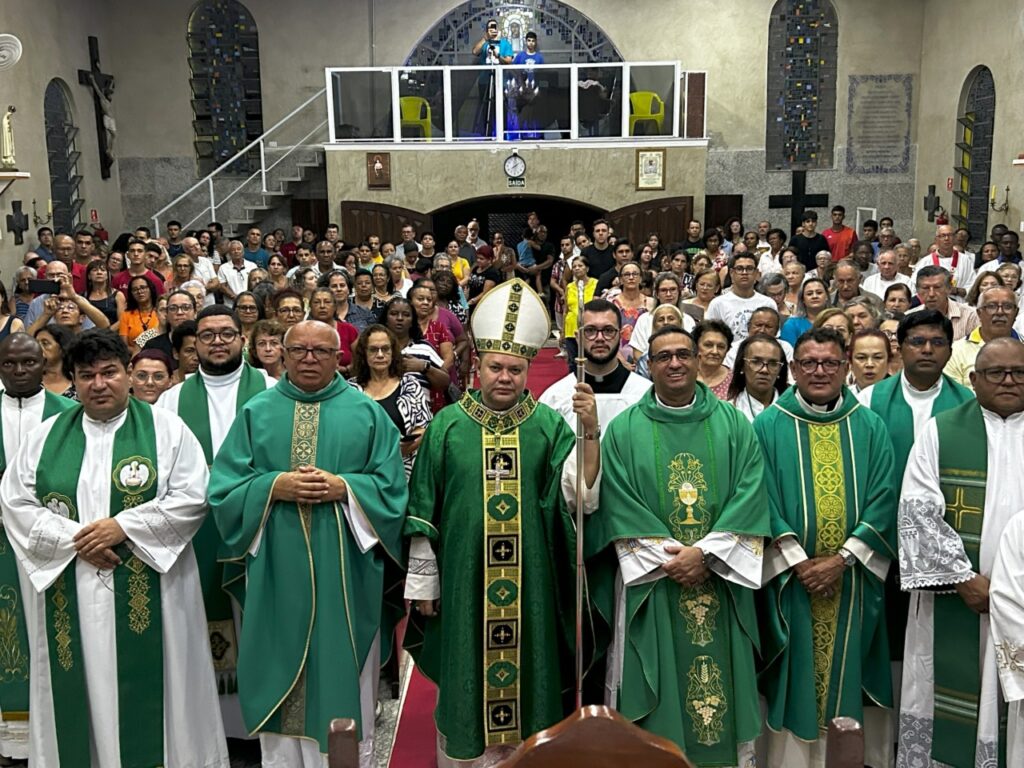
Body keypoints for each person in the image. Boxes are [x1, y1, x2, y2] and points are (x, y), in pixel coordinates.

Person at [0, 329, 228, 767]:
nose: (99, 384)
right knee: (79, 694)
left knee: (164, 694)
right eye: (86, 376)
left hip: (155, 590)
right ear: (72, 381)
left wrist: (123, 526)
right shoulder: (46, 436)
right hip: (72, 586)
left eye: (109, 372)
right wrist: (77, 539)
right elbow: (15, 500)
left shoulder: (167, 430)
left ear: (128, 373)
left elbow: (192, 494)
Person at [403, 278, 600, 766]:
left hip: (530, 583)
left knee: (532, 677)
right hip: (464, 579)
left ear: (528, 370)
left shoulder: (548, 425)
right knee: (466, 671)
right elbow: (425, 503)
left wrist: (589, 430)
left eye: (515, 368)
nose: (505, 377)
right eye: (496, 367)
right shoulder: (448, 425)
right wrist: (425, 584)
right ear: (478, 367)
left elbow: (576, 497)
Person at [209, 320, 407, 766]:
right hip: (276, 571)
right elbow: (222, 491)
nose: (309, 359)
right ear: (282, 353)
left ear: (339, 356)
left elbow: (393, 490)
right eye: (298, 350)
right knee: (278, 674)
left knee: (341, 681)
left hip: (346, 576)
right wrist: (272, 487)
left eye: (321, 351)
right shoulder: (256, 412)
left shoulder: (366, 412)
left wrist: (346, 488)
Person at [586, 324, 769, 765]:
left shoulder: (733, 423)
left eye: (682, 354)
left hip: (719, 579)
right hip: (654, 583)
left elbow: (751, 491)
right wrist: (676, 559)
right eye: (663, 356)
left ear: (697, 360)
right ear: (648, 364)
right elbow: (619, 504)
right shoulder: (626, 429)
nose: (674, 363)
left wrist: (704, 554)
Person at [755, 327, 898, 768]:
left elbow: (884, 496)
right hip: (791, 583)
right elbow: (760, 496)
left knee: (847, 673)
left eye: (830, 363)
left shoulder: (869, 425)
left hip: (851, 582)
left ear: (845, 367)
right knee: (794, 675)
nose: (820, 372)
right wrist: (801, 563)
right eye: (809, 364)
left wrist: (841, 560)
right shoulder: (768, 425)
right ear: (793, 369)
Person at [897, 337, 1024, 767]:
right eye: (996, 373)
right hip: (960, 600)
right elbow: (917, 511)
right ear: (973, 379)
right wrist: (963, 578)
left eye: (1019, 372)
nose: (1008, 380)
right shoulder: (941, 430)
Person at [156, 305, 273, 737]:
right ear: (194, 345)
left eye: (227, 333)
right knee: (204, 620)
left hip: (258, 524)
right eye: (208, 336)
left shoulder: (269, 387)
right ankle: (217, 728)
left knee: (258, 619)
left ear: (243, 339)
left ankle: (263, 719)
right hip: (197, 528)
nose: (218, 342)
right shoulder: (172, 399)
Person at [0, 334, 76, 760]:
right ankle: (12, 741)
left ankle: (58, 729)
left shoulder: (68, 414)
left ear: (43, 362)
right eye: (9, 364)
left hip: (53, 543)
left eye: (28, 363)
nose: (19, 371)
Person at [540, 298, 651, 430]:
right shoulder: (555, 398)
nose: (599, 338)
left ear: (620, 335)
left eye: (608, 330)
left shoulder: (645, 394)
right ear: (578, 337)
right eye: (590, 331)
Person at [350, 324, 432, 478]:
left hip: (405, 471)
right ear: (364, 354)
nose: (380, 355)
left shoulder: (409, 384)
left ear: (393, 352)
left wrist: (401, 449)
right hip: (363, 473)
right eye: (373, 350)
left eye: (385, 349)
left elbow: (425, 426)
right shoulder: (351, 390)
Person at [945, 285, 1019, 389]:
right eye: (992, 306)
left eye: (1007, 306)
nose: (1000, 312)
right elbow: (954, 396)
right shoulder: (956, 351)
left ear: (1016, 313)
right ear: (979, 313)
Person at [704, 253, 775, 343]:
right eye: (739, 269)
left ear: (757, 273)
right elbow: (709, 335)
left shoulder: (768, 303)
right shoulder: (718, 303)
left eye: (749, 269)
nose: (744, 273)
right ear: (731, 273)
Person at [908, 265, 981, 342]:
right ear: (917, 290)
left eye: (937, 287)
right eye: (925, 288)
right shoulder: (909, 318)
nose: (931, 294)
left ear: (949, 288)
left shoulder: (971, 316)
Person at [726, 333, 788, 420]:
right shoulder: (729, 413)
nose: (764, 370)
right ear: (742, 366)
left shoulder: (793, 410)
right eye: (756, 362)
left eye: (773, 363)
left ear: (780, 369)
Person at [912, 223, 975, 295]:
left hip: (958, 302)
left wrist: (957, 290)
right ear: (936, 240)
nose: (946, 238)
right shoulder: (925, 262)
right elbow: (915, 285)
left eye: (950, 235)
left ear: (954, 238)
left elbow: (972, 285)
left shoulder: (965, 260)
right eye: (943, 236)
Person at [563, 256, 599, 371]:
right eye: (574, 267)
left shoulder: (595, 283)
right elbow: (566, 310)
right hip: (571, 329)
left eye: (580, 266)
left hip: (589, 328)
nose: (577, 269)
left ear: (587, 268)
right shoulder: (569, 286)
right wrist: (563, 331)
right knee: (572, 362)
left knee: (589, 360)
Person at [118, 274, 162, 353]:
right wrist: (142, 353)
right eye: (135, 289)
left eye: (143, 288)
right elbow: (124, 346)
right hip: (135, 357)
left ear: (150, 289)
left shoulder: (161, 311)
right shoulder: (126, 315)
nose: (139, 292)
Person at [693, 320, 733, 399]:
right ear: (696, 346)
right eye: (708, 345)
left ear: (727, 350)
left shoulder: (734, 381)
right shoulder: (685, 376)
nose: (715, 351)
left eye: (721, 347)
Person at [35, 324, 76, 399]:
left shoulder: (78, 382)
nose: (37, 348)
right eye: (35, 343)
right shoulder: (31, 383)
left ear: (62, 347)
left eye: (45, 343)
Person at [848, 328, 891, 393]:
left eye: (877, 357)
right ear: (851, 362)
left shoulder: (902, 398)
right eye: (861, 358)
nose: (869, 364)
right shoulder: (843, 399)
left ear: (888, 361)